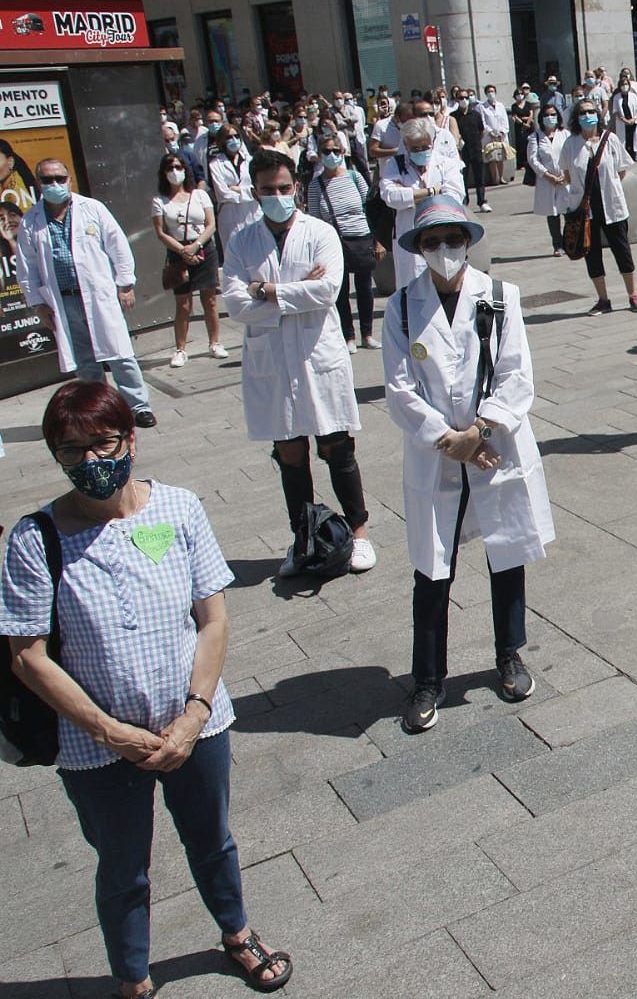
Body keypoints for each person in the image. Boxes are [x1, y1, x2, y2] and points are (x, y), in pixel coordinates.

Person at [0, 381, 294, 999]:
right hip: (96, 746)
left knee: (212, 839)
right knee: (123, 867)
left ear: (131, 440)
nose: (90, 462)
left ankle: (237, 934)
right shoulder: (36, 539)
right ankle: (134, 976)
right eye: (72, 450)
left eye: (103, 443)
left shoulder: (179, 509)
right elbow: (27, 657)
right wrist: (108, 730)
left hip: (195, 724)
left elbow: (212, 618)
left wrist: (194, 713)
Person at [380, 195, 553, 733]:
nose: (444, 250)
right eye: (432, 242)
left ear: (469, 241)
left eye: (453, 239)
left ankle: (509, 653)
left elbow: (516, 374)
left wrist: (478, 431)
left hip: (492, 444)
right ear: (419, 248)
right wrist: (446, 439)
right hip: (436, 454)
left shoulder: (501, 296)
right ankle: (428, 679)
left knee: (506, 553)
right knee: (433, 567)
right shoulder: (402, 307)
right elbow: (399, 388)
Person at [219, 150, 376, 576]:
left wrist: (266, 291)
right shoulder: (241, 240)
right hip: (272, 360)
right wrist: (289, 293)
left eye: (284, 188)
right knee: (289, 451)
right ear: (254, 191)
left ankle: (358, 531)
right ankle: (303, 539)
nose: (277, 196)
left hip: (317, 354)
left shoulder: (320, 232)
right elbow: (234, 302)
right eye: (268, 190)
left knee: (335, 446)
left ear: (297, 190)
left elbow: (327, 290)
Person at [17, 159, 156, 428]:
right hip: (63, 300)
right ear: (38, 184)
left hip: (99, 295)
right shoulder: (30, 221)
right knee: (85, 362)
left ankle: (138, 407)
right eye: (47, 180)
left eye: (60, 178)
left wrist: (125, 284)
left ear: (69, 180)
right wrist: (37, 304)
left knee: (120, 355)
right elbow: (27, 267)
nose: (55, 184)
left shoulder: (92, 209)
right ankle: (101, 410)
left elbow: (118, 246)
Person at [561, 97, 637, 315]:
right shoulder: (570, 144)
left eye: (591, 111)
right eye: (583, 113)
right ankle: (603, 299)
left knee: (622, 251)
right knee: (592, 253)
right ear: (577, 118)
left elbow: (622, 170)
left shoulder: (610, 138)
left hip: (612, 207)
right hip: (585, 211)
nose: (588, 116)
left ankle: (632, 295)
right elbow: (567, 175)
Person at [306, 131, 384, 351]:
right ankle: (348, 336)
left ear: (342, 152)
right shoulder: (316, 186)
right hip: (335, 242)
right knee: (340, 292)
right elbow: (315, 220)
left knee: (364, 289)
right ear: (319, 154)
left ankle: (367, 334)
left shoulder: (354, 177)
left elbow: (371, 210)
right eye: (326, 151)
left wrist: (378, 241)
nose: (331, 155)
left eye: (335, 150)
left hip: (362, 237)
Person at [151, 152, 224, 367]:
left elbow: (211, 224)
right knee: (183, 304)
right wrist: (183, 251)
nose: (175, 172)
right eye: (170, 168)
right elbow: (161, 231)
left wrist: (196, 245)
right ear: (164, 173)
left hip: (203, 248)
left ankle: (214, 343)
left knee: (209, 300)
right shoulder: (159, 201)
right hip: (178, 252)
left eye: (179, 167)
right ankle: (180, 349)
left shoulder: (199, 195)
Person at [381, 116, 467, 294]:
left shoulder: (447, 164)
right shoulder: (394, 165)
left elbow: (454, 197)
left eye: (424, 147)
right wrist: (432, 192)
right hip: (408, 233)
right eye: (415, 148)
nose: (420, 151)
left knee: (446, 285)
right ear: (405, 144)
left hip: (442, 233)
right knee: (412, 291)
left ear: (433, 141)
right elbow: (390, 197)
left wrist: (410, 196)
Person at [525, 105, 569, 258]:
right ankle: (557, 245)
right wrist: (547, 175)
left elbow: (571, 154)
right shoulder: (535, 137)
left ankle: (570, 243)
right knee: (553, 214)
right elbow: (533, 159)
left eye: (553, 114)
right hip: (546, 180)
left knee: (568, 211)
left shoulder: (565, 134)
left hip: (565, 178)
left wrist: (565, 174)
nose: (550, 117)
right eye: (547, 115)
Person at [206, 125, 257, 256]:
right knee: (234, 256)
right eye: (229, 137)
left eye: (236, 136)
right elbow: (222, 194)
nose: (234, 140)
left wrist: (239, 190)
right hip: (230, 216)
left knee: (256, 253)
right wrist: (248, 193)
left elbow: (257, 188)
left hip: (252, 213)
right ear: (222, 141)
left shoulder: (250, 161)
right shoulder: (215, 164)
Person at [452, 94, 490, 212]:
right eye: (461, 98)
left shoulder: (475, 115)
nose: (464, 100)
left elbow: (481, 131)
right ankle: (464, 201)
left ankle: (482, 201)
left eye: (466, 97)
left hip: (476, 149)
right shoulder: (453, 116)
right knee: (463, 177)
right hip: (462, 151)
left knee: (480, 176)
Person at [478, 85, 511, 188]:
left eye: (492, 91)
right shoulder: (482, 107)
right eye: (488, 91)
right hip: (489, 136)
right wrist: (490, 132)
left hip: (501, 135)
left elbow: (505, 120)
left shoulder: (501, 106)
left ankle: (501, 177)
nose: (490, 93)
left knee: (501, 157)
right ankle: (494, 178)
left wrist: (502, 132)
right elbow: (483, 122)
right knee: (492, 158)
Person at [611, 70, 637, 157]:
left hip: (633, 121)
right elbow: (615, 111)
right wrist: (624, 119)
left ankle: (633, 155)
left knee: (632, 140)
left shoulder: (633, 96)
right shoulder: (616, 97)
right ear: (619, 86)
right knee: (624, 141)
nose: (624, 86)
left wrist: (633, 119)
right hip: (622, 122)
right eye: (622, 85)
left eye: (626, 84)